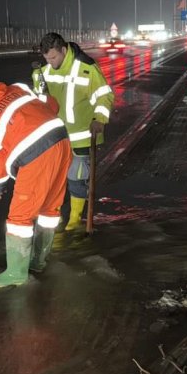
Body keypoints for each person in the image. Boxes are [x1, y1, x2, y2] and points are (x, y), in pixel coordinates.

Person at [0, 82, 71, 288]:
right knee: (49, 207)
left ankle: (16, 272)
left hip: (35, 153)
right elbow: (51, 104)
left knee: (19, 217)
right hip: (61, 140)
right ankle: (38, 260)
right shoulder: (11, 89)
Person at [34, 32, 115, 231]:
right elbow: (40, 102)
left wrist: (99, 119)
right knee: (55, 177)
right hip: (56, 137)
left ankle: (74, 219)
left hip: (82, 135)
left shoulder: (86, 68)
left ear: (63, 50)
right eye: (46, 58)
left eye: (53, 57)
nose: (50, 62)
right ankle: (56, 214)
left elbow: (104, 96)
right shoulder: (43, 72)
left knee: (76, 176)